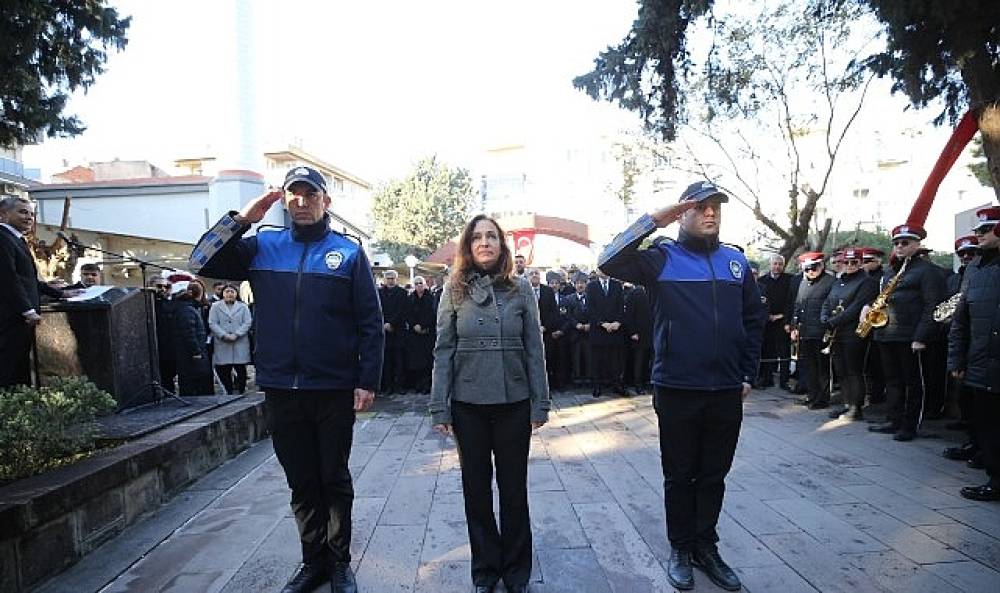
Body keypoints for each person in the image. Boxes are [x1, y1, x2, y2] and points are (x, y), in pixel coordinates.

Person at [189, 165, 383, 593]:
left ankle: (338, 563)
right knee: (301, 481)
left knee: (333, 477)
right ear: (284, 199)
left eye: (310, 194)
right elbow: (199, 261)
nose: (302, 202)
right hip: (281, 387)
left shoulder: (348, 253)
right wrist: (243, 219)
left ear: (325, 201)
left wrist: (367, 379)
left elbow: (370, 321)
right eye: (294, 194)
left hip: (332, 386)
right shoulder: (263, 245)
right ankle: (312, 562)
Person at [598, 181, 765, 592]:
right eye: (700, 206)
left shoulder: (736, 262)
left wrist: (747, 374)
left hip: (726, 389)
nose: (710, 213)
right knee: (679, 474)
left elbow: (753, 320)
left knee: (714, 474)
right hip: (677, 387)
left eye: (716, 207)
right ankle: (680, 548)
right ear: (682, 213)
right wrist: (653, 221)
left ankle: (706, 547)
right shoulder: (662, 258)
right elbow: (608, 261)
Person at [430, 214, 549, 593]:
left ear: (502, 245)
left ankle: (516, 572)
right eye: (477, 237)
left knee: (514, 491)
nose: (484, 242)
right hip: (469, 406)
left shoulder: (521, 288)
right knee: (476, 491)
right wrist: (439, 405)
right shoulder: (453, 289)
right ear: (468, 246)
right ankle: (485, 571)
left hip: (514, 403)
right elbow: (443, 350)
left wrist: (540, 403)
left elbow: (535, 349)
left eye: (492, 236)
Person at [867, 224, 945, 442]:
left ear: (917, 244)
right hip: (886, 334)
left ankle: (910, 426)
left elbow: (933, 306)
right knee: (892, 380)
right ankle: (894, 420)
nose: (899, 246)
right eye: (896, 243)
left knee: (913, 382)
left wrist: (921, 337)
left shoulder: (927, 271)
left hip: (911, 337)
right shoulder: (891, 272)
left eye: (905, 243)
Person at [948, 207, 1000, 501]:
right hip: (980, 362)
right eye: (978, 230)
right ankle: (995, 480)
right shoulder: (975, 268)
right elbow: (961, 320)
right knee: (988, 425)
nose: (978, 235)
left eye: (985, 230)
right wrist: (957, 359)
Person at [0, 197, 69, 387]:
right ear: (3, 213)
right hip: (11, 317)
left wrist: (60, 294)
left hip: (19, 319)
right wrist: (27, 310)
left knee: (19, 369)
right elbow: (7, 279)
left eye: (31, 214)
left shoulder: (16, 239)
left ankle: (20, 403)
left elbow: (28, 279)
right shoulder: (2, 238)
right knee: (8, 370)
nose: (29, 217)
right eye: (23, 212)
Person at [821, 248, 878, 420]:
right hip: (836, 333)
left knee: (854, 371)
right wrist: (824, 317)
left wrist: (833, 321)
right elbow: (827, 301)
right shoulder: (838, 281)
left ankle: (856, 407)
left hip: (853, 333)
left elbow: (856, 308)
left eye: (854, 262)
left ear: (860, 263)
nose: (850, 265)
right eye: (846, 262)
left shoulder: (867, 282)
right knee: (841, 371)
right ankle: (847, 404)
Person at [942, 235, 981, 464]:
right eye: (962, 254)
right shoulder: (954, 278)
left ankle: (982, 449)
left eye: (971, 252)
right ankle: (972, 442)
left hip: (981, 343)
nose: (967, 257)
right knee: (965, 395)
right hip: (961, 341)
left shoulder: (984, 272)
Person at [790, 252, 836, 409]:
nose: (810, 271)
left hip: (822, 332)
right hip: (805, 331)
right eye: (807, 268)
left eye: (814, 267)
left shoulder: (830, 282)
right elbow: (798, 305)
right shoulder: (804, 283)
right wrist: (794, 326)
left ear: (821, 265)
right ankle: (812, 395)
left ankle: (822, 399)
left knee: (822, 368)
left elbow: (831, 307)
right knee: (809, 367)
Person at [586, 269, 625, 397]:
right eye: (601, 268)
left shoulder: (617, 285)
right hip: (598, 330)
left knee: (615, 359)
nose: (604, 271)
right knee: (597, 360)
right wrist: (602, 323)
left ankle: (616, 384)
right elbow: (590, 309)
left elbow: (621, 306)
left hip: (614, 329)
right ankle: (597, 386)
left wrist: (618, 322)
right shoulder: (591, 286)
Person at [208, 284, 253, 394]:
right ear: (223, 294)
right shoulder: (215, 306)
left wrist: (237, 334)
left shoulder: (243, 306)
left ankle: (241, 390)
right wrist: (223, 335)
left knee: (240, 368)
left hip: (239, 341)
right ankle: (228, 391)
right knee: (224, 369)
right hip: (222, 342)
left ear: (236, 294)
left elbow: (247, 322)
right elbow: (212, 323)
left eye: (232, 291)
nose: (230, 294)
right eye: (227, 291)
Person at [172, 281, 214, 396]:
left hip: (189, 353)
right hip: (191, 355)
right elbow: (188, 332)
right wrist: (196, 351)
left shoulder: (185, 307)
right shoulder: (187, 310)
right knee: (193, 383)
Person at [756, 255, 792, 390]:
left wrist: (782, 316)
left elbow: (791, 301)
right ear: (770, 265)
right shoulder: (762, 281)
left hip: (783, 320)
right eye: (775, 264)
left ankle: (784, 381)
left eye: (780, 264)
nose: (777, 266)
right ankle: (766, 378)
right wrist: (767, 316)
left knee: (784, 351)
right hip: (767, 321)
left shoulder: (790, 280)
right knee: (767, 350)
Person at [403, 275, 435, 394]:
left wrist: (423, 326)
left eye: (420, 283)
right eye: (416, 284)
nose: (418, 286)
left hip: (427, 333)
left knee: (427, 361)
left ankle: (426, 385)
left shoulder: (431, 298)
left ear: (424, 284)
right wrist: (414, 325)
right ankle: (418, 384)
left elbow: (432, 313)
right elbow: (407, 313)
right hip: (414, 334)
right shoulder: (410, 298)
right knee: (415, 361)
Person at [379, 269, 408, 394]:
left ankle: (399, 385)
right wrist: (384, 323)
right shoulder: (379, 293)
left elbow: (402, 310)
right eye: (388, 278)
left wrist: (391, 323)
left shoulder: (402, 293)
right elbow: (378, 309)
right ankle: (388, 386)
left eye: (392, 278)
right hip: (384, 330)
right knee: (386, 360)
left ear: (396, 279)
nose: (390, 281)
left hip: (398, 330)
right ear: (385, 279)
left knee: (399, 360)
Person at [623, 282, 652, 395]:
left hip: (650, 332)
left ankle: (645, 381)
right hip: (638, 334)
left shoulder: (653, 292)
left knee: (646, 359)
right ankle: (637, 384)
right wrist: (632, 332)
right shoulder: (634, 293)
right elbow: (629, 315)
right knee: (638, 360)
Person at [150, 277, 178, 393]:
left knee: (168, 376)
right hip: (151, 345)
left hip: (168, 347)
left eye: (165, 286)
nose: (163, 289)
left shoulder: (170, 304)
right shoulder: (145, 303)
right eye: (159, 286)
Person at [563, 272, 590, 385]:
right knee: (576, 356)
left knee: (588, 356)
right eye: (578, 283)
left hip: (588, 333)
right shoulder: (568, 299)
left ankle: (588, 377)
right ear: (574, 285)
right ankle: (576, 378)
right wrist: (576, 324)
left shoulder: (591, 298)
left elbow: (595, 312)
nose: (580, 285)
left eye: (582, 283)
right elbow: (567, 315)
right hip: (575, 333)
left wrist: (590, 324)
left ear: (586, 284)